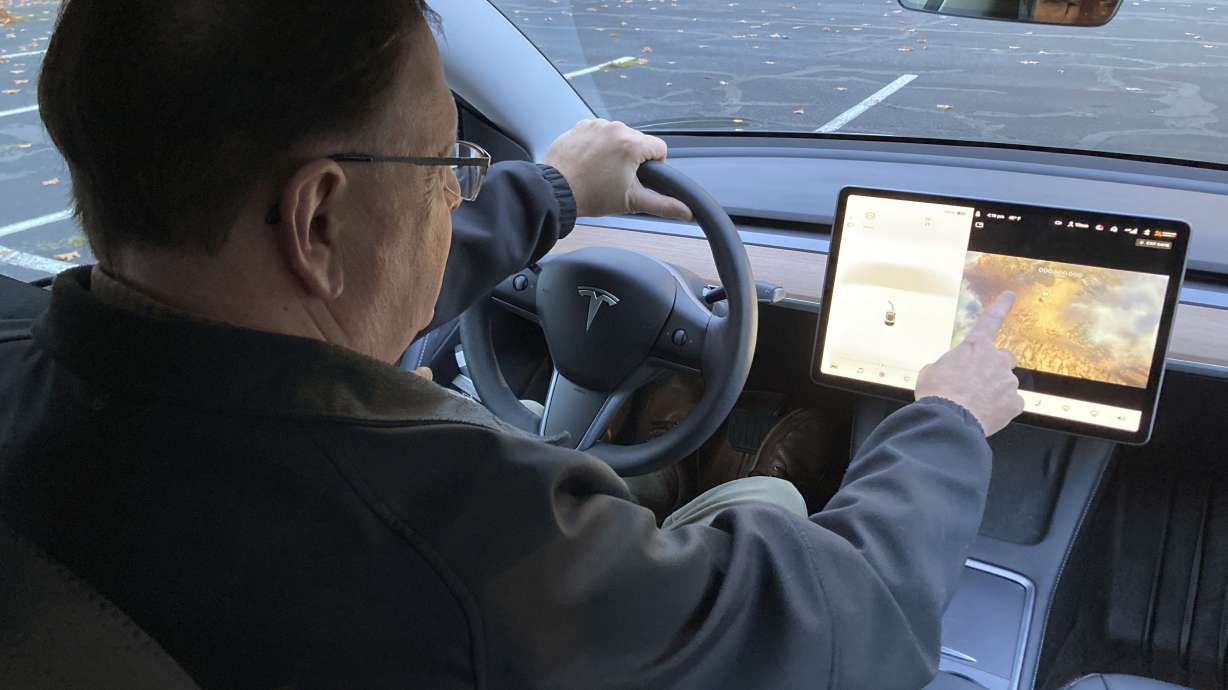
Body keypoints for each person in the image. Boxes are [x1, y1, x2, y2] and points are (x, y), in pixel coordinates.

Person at [0, 2, 1025, 689]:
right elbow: (848, 628)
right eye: (449, 161)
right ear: (320, 218)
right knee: (766, 509)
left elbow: (324, 288)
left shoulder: (32, 362)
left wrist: (552, 191)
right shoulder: (453, 549)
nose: (458, 191)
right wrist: (943, 423)